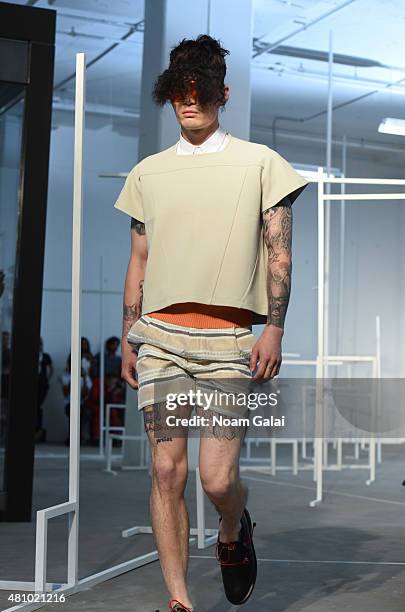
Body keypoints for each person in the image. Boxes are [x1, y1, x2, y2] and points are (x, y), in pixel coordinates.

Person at [114, 35, 309, 612]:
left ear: (223, 92)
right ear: (169, 94)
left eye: (200, 90)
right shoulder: (148, 173)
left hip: (228, 343)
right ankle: (179, 601)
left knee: (216, 481)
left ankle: (232, 529)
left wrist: (273, 327)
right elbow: (139, 261)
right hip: (161, 343)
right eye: (179, 90)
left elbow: (280, 253)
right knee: (165, 470)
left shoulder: (261, 164)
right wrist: (129, 334)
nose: (189, 100)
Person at [35, 337, 54, 443]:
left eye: (41, 343)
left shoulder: (45, 356)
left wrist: (47, 379)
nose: (40, 345)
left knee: (38, 405)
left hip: (42, 384)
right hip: (33, 384)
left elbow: (51, 368)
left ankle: (38, 430)